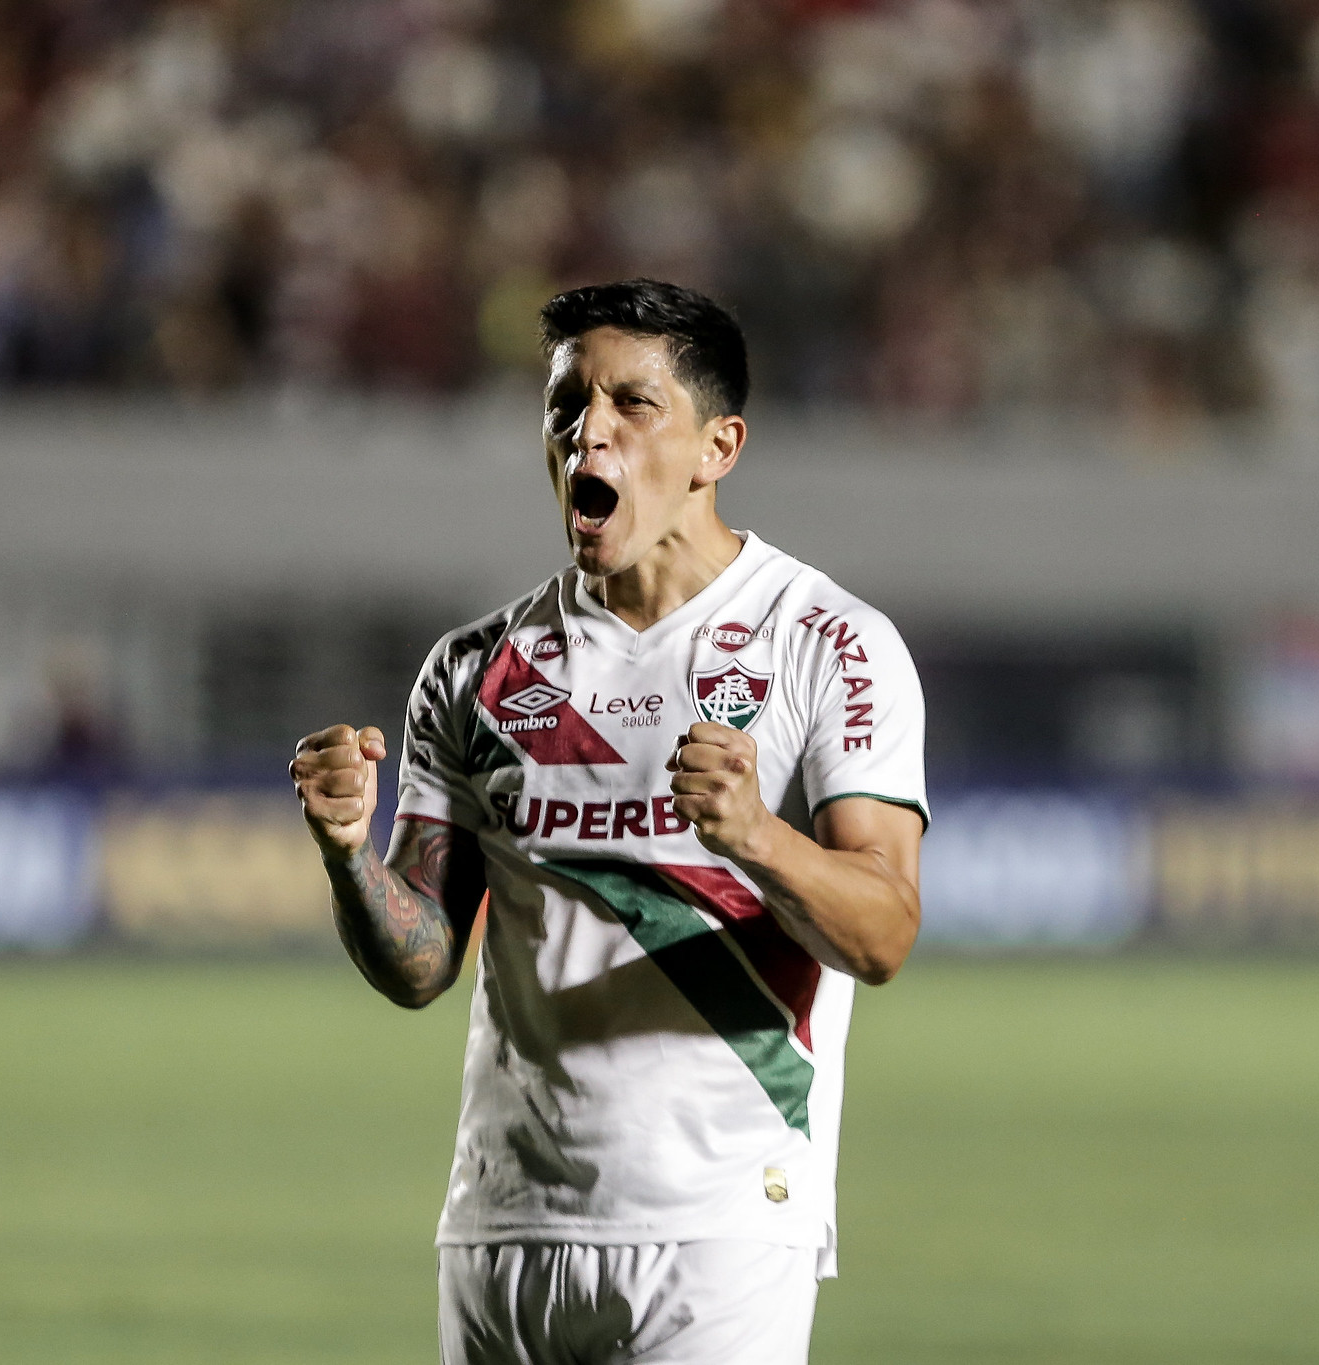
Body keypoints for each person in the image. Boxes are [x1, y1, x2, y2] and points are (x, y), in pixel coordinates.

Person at [289, 279, 927, 1363]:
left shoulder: (826, 644)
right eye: (566, 404)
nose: (588, 430)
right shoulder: (475, 670)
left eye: (632, 403)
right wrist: (348, 854)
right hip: (502, 1225)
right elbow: (421, 965)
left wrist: (757, 837)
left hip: (719, 1226)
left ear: (718, 446)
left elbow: (883, 933)